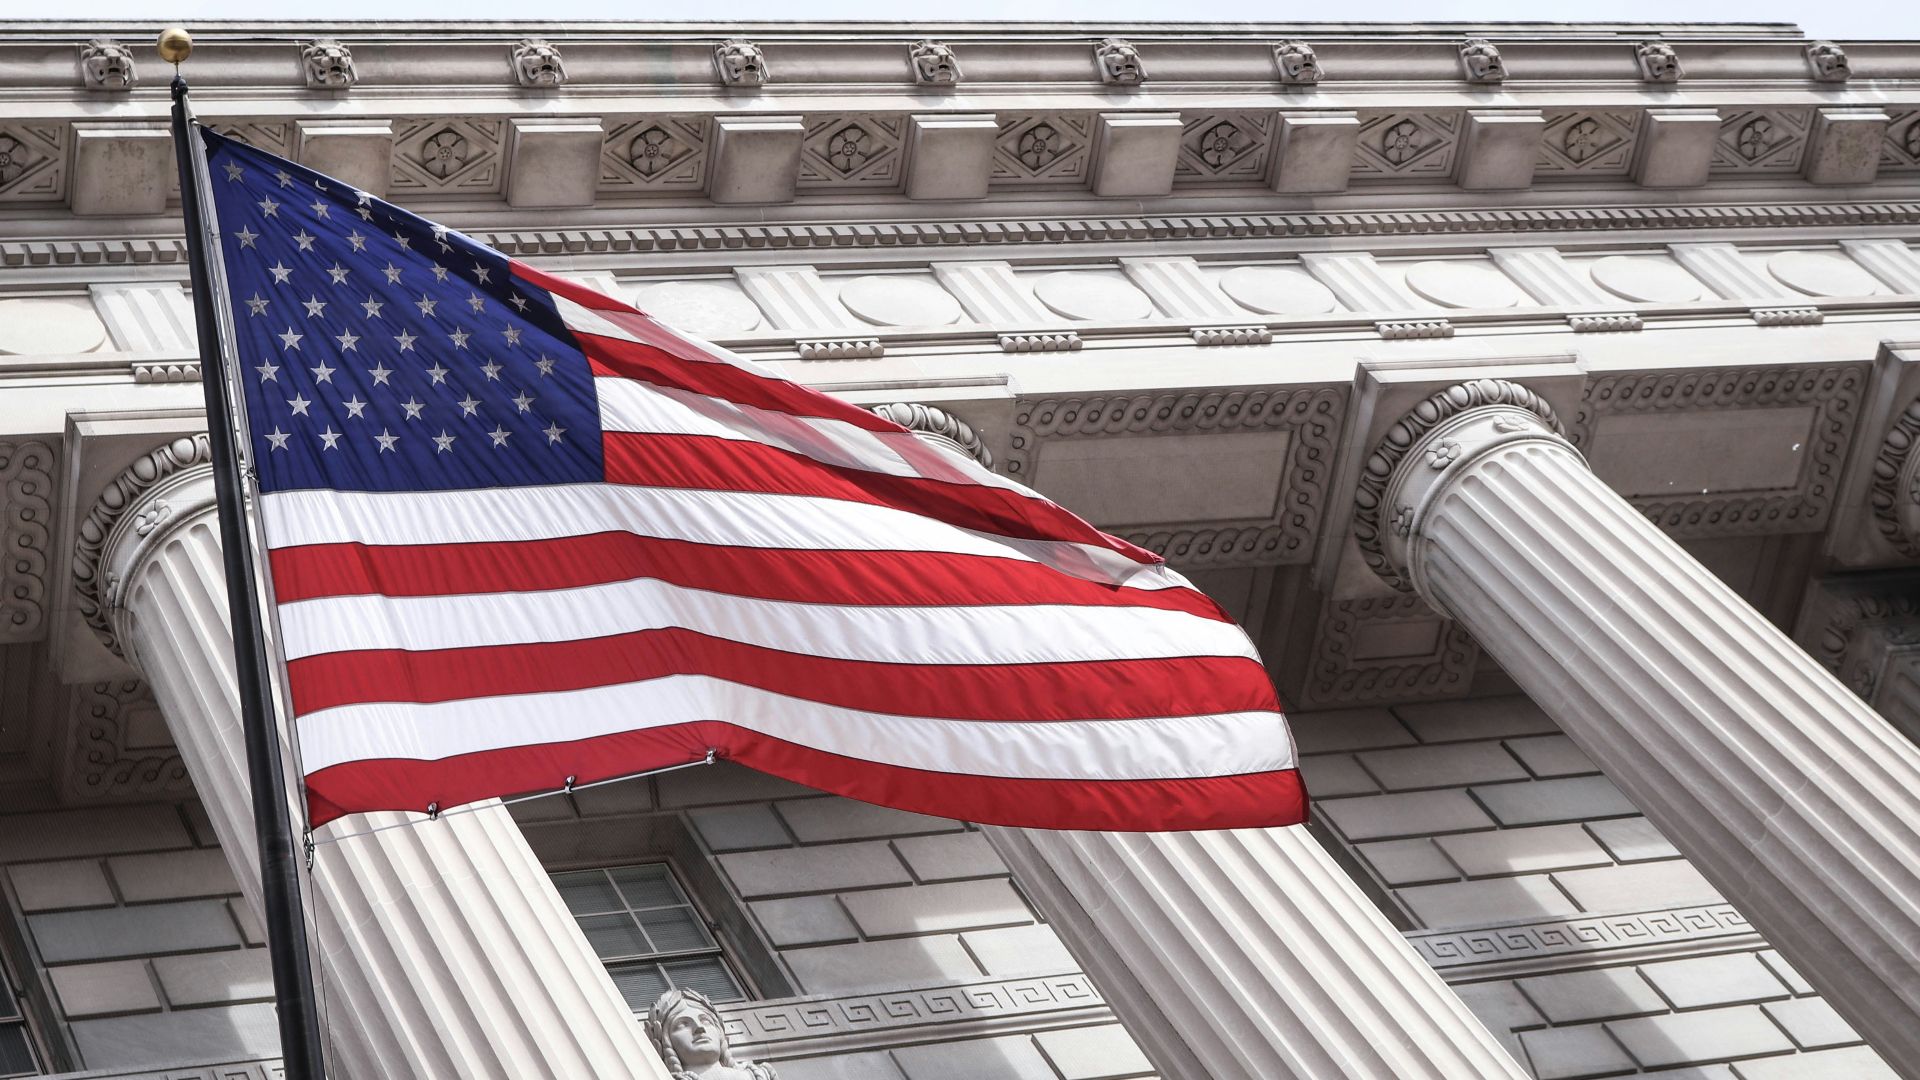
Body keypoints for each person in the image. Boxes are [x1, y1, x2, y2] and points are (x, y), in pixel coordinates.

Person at [645, 988, 778, 1079]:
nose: (699, 1028)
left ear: (719, 1031)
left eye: (706, 1021)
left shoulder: (761, 1074)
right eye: (682, 1024)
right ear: (666, 1041)